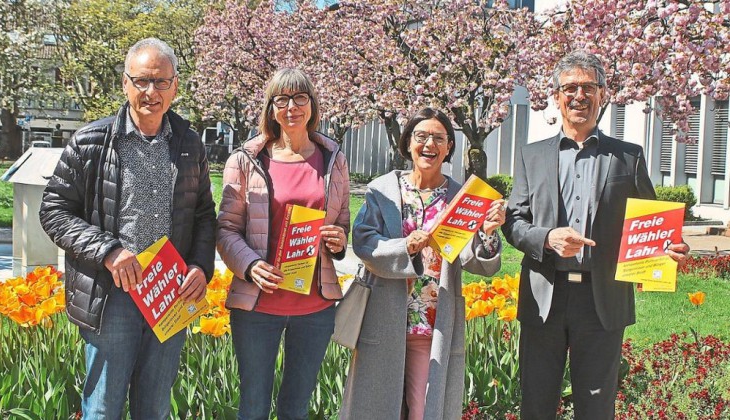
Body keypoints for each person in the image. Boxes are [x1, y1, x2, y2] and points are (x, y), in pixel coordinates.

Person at [501, 50, 689, 419]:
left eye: (589, 87)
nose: (579, 96)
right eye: (570, 88)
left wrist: (671, 247)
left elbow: (653, 226)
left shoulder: (628, 157)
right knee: (536, 403)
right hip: (544, 296)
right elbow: (514, 222)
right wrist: (547, 238)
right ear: (556, 96)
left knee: (597, 407)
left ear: (602, 94)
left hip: (602, 299)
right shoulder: (531, 155)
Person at [39, 38, 216, 419]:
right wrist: (108, 251)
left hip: (169, 290)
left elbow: (204, 214)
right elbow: (54, 211)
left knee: (154, 408)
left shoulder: (190, 145)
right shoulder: (90, 142)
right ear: (125, 83)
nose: (151, 92)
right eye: (141, 81)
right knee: (103, 408)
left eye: (161, 82)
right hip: (112, 295)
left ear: (175, 87)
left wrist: (201, 266)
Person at [340, 108, 505, 420]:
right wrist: (405, 247)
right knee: (376, 410)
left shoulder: (461, 197)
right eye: (421, 136)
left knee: (425, 412)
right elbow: (364, 243)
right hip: (384, 319)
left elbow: (479, 264)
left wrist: (487, 232)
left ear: (449, 146)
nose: (430, 144)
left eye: (439, 138)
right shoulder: (383, 190)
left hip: (430, 324)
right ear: (408, 142)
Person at [216, 68, 350, 420]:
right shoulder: (245, 160)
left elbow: (342, 222)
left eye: (300, 97)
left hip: (314, 307)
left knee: (295, 409)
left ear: (312, 105)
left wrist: (339, 240)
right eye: (282, 99)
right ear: (271, 108)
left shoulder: (334, 159)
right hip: (258, 306)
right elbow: (226, 229)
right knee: (253, 408)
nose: (292, 107)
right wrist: (250, 265)